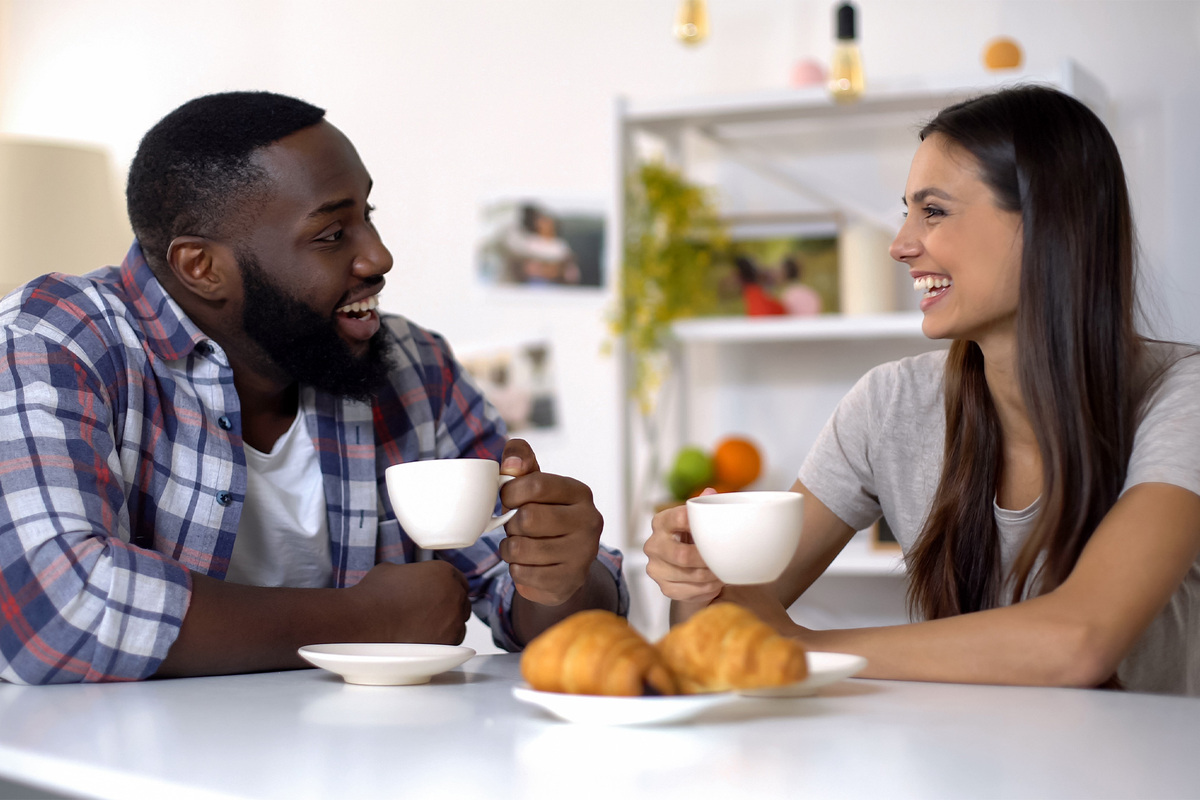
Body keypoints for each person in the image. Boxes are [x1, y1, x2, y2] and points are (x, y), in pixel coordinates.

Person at [0, 91, 626, 686]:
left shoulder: (416, 367)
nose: (379, 257)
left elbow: (535, 608)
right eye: (331, 234)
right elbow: (55, 610)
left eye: (367, 217)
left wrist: (561, 575)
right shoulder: (56, 342)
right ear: (202, 267)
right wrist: (368, 620)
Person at [644, 85, 1200, 695]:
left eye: (933, 211)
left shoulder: (1182, 397)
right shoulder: (890, 405)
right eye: (907, 212)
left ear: (1048, 222)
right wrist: (695, 576)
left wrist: (800, 645)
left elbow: (1080, 642)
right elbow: (716, 633)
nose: (900, 245)